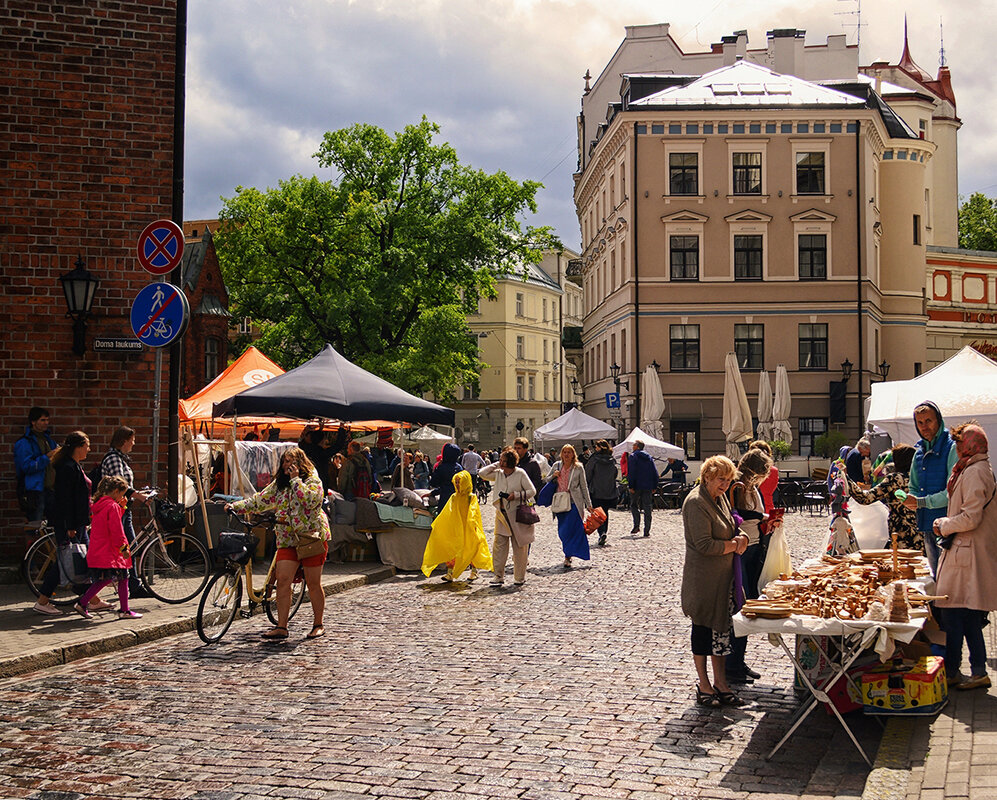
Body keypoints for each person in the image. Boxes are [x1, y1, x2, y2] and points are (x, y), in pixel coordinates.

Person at [226, 447, 330, 640]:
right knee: (283, 580)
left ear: (300, 464)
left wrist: (296, 480)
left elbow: (310, 501)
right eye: (284, 462)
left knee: (314, 583)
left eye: (291, 462)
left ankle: (318, 624)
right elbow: (260, 500)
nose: (287, 466)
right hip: (287, 538)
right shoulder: (279, 485)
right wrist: (236, 506)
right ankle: (281, 626)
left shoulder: (313, 481)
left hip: (310, 537)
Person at [681, 455, 749, 708]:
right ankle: (704, 684)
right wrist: (734, 545)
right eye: (722, 479)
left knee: (721, 632)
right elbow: (704, 544)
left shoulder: (719, 498)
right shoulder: (696, 502)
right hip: (704, 581)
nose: (725, 484)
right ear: (708, 475)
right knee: (703, 630)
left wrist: (740, 536)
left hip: (724, 579)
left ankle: (720, 682)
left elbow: (731, 524)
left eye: (729, 480)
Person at [933, 423, 997, 691]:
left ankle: (955, 670)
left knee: (953, 614)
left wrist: (943, 524)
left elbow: (971, 517)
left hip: (966, 552)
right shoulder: (972, 469)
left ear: (972, 445)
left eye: (960, 444)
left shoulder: (974, 472)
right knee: (965, 615)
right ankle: (975, 670)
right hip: (964, 551)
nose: (956, 449)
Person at [33, 432, 112, 615]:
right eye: (87, 445)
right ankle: (43, 601)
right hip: (70, 524)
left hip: (77, 523)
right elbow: (66, 500)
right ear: (78, 447)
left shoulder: (73, 466)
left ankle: (92, 599)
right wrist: (70, 527)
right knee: (66, 560)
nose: (89, 449)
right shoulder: (67, 468)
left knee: (80, 560)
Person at [726, 448, 773, 685]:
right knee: (740, 606)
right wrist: (762, 516)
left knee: (750, 603)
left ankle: (739, 661)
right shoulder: (736, 486)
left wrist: (769, 520)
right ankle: (731, 664)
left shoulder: (753, 487)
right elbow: (737, 514)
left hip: (755, 546)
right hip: (742, 549)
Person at [73, 476, 142, 620]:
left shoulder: (102, 504)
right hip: (111, 551)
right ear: (116, 491)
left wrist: (121, 507)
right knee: (113, 578)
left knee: (118, 577)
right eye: (122, 494)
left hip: (100, 549)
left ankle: (123, 609)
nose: (122, 497)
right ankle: (84, 603)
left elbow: (108, 522)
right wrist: (124, 547)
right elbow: (117, 529)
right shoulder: (113, 507)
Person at [903, 401, 958, 575]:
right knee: (936, 577)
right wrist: (910, 499)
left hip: (949, 526)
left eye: (928, 421)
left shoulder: (952, 447)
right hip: (927, 524)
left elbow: (953, 491)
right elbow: (913, 485)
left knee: (950, 578)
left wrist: (921, 502)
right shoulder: (918, 451)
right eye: (920, 422)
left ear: (938, 420)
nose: (924, 426)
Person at [97, 426, 151, 597]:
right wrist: (140, 496)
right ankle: (131, 585)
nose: (134, 443)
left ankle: (132, 584)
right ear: (124, 441)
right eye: (132, 440)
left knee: (129, 547)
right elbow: (119, 486)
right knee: (127, 547)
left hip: (123, 508)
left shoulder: (121, 459)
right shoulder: (113, 459)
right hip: (116, 509)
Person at [421, 469, 492, 582]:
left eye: (460, 482)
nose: (458, 485)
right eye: (456, 482)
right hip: (456, 527)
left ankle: (474, 570)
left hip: (469, 526)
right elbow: (448, 511)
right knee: (453, 548)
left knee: (471, 548)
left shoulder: (471, 497)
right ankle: (450, 572)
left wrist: (472, 522)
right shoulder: (454, 497)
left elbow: (474, 511)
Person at [480, 449, 536, 586]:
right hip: (502, 515)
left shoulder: (520, 473)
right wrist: (497, 464)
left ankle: (519, 577)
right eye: (501, 459)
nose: (501, 462)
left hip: (518, 515)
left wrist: (515, 495)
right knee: (499, 546)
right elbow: (482, 473)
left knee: (520, 547)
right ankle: (498, 576)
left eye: (504, 460)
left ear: (511, 461)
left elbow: (532, 491)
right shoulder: (499, 474)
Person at [848, 444, 920, 551]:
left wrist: (846, 480)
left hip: (900, 534)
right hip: (920, 532)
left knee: (899, 564)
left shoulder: (894, 479)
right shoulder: (920, 478)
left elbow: (865, 498)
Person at [544, 444, 593, 568]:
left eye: (569, 452)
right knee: (563, 532)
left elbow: (583, 486)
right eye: (564, 452)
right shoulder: (557, 466)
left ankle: (568, 556)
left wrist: (589, 504)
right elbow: (546, 479)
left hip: (574, 503)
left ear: (573, 454)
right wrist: (553, 476)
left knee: (575, 530)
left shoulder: (578, 467)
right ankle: (568, 552)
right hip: (560, 504)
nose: (566, 454)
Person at [14, 406, 57, 523]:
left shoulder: (48, 440)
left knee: (54, 527)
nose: (46, 423)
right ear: (33, 422)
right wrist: (47, 457)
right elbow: (27, 466)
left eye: (47, 420)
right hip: (34, 490)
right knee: (34, 525)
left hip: (50, 489)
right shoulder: (25, 443)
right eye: (42, 420)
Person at [584, 439, 617, 547]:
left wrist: (586, 486)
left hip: (596, 490)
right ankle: (604, 532)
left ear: (599, 448)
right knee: (605, 512)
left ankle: (601, 532)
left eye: (596, 447)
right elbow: (615, 474)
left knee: (598, 513)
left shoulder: (594, 459)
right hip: (608, 490)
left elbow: (588, 473)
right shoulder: (612, 459)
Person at [627, 440, 658, 537]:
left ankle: (636, 525)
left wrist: (631, 485)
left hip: (636, 486)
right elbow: (654, 471)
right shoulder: (649, 457)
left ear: (637, 446)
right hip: (648, 485)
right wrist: (654, 485)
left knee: (634, 505)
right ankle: (647, 530)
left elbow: (631, 472)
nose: (632, 446)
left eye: (634, 445)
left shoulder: (633, 457)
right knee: (647, 507)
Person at [430, 443, 465, 513]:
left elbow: (433, 483)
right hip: (458, 501)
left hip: (445, 500)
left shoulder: (442, 467)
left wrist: (437, 468)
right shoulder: (459, 468)